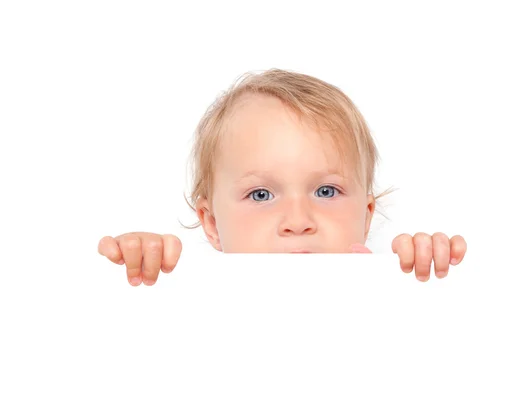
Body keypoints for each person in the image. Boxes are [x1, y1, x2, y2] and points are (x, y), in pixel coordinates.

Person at [97, 68, 467, 286]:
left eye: (326, 190)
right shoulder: (200, 286)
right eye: (260, 195)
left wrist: (426, 268)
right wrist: (145, 262)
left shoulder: (379, 279)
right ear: (211, 224)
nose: (298, 222)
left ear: (366, 215)